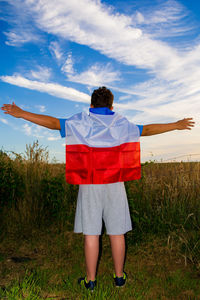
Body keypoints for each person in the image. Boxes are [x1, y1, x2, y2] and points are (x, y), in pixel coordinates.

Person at [1, 87, 195, 291]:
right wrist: (176, 125)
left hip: (89, 183)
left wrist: (21, 113)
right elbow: (146, 130)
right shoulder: (121, 123)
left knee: (92, 233)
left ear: (91, 106)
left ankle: (90, 281)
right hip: (115, 184)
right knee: (117, 232)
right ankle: (119, 278)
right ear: (112, 106)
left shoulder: (80, 121)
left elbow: (52, 123)